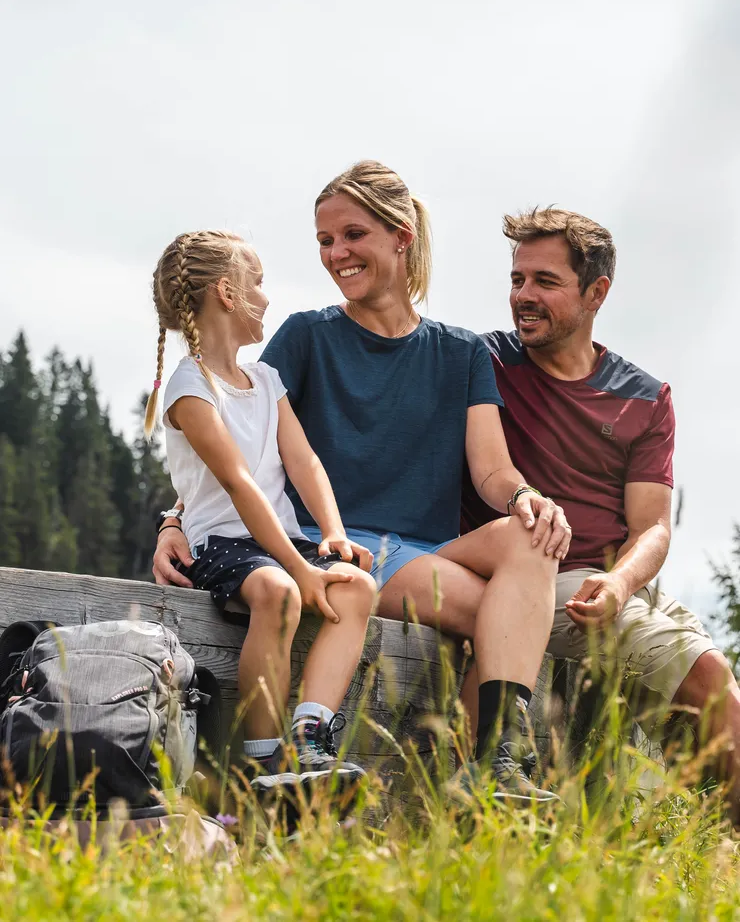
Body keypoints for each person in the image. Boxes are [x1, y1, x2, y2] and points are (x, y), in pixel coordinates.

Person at [153, 163, 573, 802]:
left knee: (532, 539)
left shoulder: (462, 353)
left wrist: (527, 498)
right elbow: (235, 436)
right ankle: (479, 763)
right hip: (339, 550)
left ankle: (485, 762)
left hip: (422, 555)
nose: (335, 254)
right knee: (507, 616)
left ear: (401, 237)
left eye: (352, 235)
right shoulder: (306, 335)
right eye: (325, 241)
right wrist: (175, 519)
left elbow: (492, 471)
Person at [461, 207, 740, 812]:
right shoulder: (481, 362)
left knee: (718, 720)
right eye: (517, 280)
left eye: (545, 282)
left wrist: (619, 581)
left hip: (620, 587)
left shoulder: (644, 397)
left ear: (597, 292)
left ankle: (710, 858)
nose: (524, 297)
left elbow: (654, 527)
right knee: (712, 683)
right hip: (537, 579)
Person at [144, 229, 377, 796]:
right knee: (279, 592)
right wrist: (300, 571)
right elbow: (239, 485)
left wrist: (333, 536)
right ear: (227, 293)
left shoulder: (267, 380)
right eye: (258, 282)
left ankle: (310, 734)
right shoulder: (188, 388)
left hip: (278, 540)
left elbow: (304, 463)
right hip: (222, 543)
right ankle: (263, 760)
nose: (267, 297)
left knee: (357, 588)